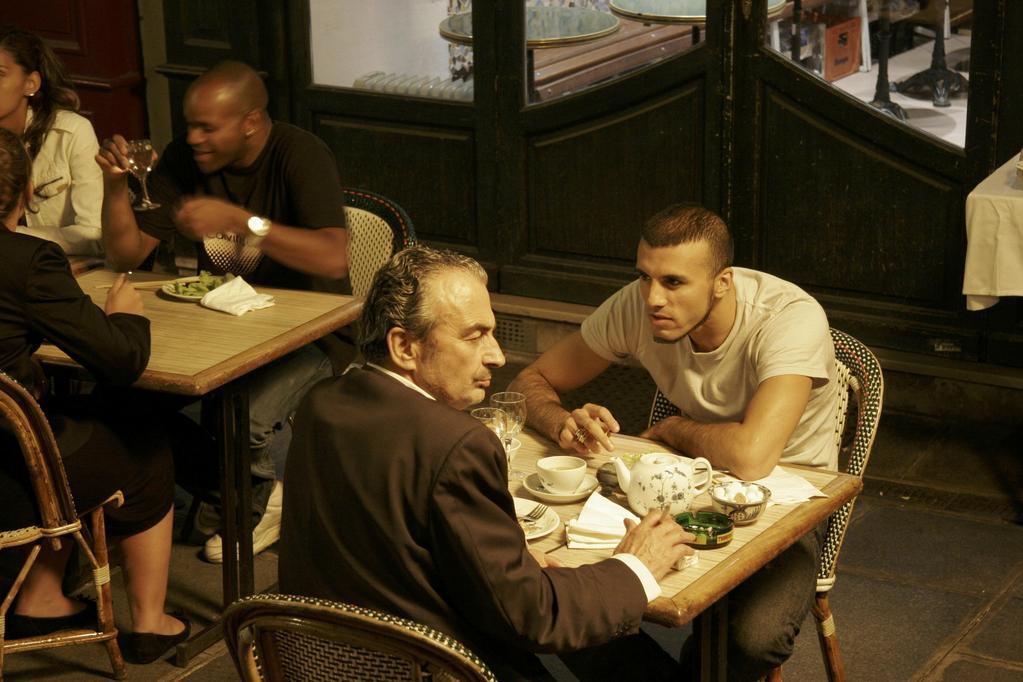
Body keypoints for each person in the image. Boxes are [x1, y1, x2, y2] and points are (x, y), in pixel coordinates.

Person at [279, 245, 695, 681]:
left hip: (318, 661)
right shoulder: (458, 444)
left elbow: (382, 540)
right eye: (474, 335)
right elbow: (535, 618)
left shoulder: (318, 403)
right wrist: (636, 566)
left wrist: (490, 554)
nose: (496, 356)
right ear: (404, 346)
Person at [508, 203, 840, 681]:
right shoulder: (635, 305)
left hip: (783, 507)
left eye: (674, 283)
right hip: (677, 487)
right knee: (558, 596)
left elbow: (751, 457)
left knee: (752, 640)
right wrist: (562, 421)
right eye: (645, 277)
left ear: (722, 282)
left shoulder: (787, 318)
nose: (653, 299)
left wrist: (673, 429)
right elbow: (531, 380)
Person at [95, 60, 351, 563]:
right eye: (189, 124)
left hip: (313, 332)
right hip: (220, 323)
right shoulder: (184, 161)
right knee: (125, 395)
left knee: (244, 417)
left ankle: (250, 509)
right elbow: (126, 254)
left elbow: (332, 255)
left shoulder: (299, 154)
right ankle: (246, 493)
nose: (192, 138)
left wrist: (241, 221)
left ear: (251, 122)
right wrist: (112, 186)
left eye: (206, 127)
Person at [0, 127, 188, 664]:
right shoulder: (27, 262)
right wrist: (126, 315)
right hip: (7, 478)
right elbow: (121, 360)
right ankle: (150, 623)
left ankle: (41, 596)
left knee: (76, 416)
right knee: (145, 445)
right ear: (28, 190)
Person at [0, 26, 103, 256]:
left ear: (31, 84)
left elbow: (95, 234)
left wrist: (14, 236)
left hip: (64, 268)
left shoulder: (71, 132)